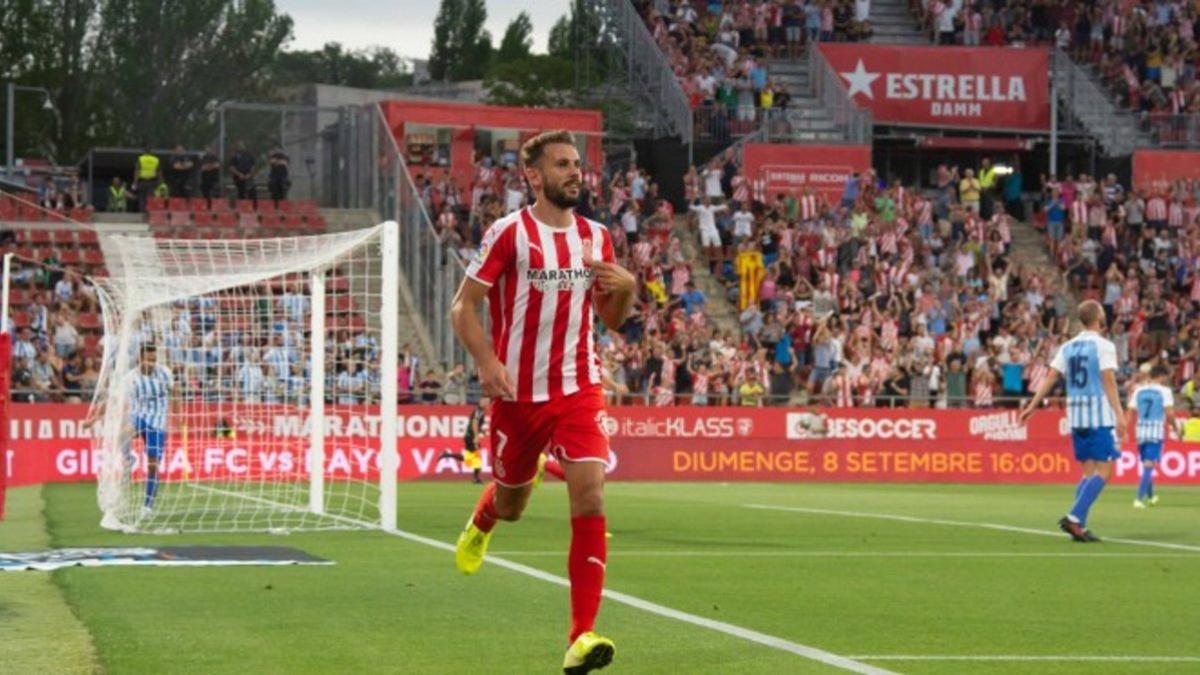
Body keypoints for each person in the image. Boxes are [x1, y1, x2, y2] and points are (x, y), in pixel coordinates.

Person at [449, 129, 634, 673]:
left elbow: (612, 319)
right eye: (562, 164)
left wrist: (625, 289)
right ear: (533, 175)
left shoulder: (596, 237)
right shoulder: (509, 233)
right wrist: (487, 361)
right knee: (513, 505)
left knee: (591, 496)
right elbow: (464, 308)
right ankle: (484, 518)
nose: (575, 172)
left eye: (577, 163)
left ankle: (581, 637)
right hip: (518, 395)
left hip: (578, 387)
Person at [1019, 300, 1126, 543]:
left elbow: (1051, 377)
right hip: (1097, 414)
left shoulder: (1067, 346)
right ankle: (1075, 517)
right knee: (1105, 471)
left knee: (1089, 473)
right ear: (1099, 317)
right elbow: (1108, 380)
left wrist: (1033, 405)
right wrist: (1119, 414)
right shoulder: (1104, 345)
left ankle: (1080, 526)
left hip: (1076, 415)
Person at [84, 344, 172, 519]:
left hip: (158, 422)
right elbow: (112, 399)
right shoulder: (130, 378)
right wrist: (94, 418)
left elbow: (174, 392)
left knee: (153, 466)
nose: (151, 363)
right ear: (140, 359)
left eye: (154, 359)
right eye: (148, 359)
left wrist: (177, 416)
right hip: (139, 416)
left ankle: (148, 505)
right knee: (122, 432)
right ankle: (128, 458)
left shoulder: (165, 373)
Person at [1127, 366, 1178, 508]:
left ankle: (1150, 497)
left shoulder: (1139, 390)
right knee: (1149, 466)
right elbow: (1169, 414)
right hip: (1155, 431)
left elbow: (1130, 412)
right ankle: (1138, 499)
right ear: (1162, 377)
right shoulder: (1165, 391)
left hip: (1140, 431)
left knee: (1146, 465)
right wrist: (1175, 427)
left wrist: (1124, 430)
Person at [440, 396, 489, 484]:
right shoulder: (479, 411)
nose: (486, 403)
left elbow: (474, 424)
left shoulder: (480, 411)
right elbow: (474, 422)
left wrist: (481, 431)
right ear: (480, 401)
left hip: (469, 436)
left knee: (468, 458)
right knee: (477, 457)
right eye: (485, 401)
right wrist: (476, 436)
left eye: (487, 402)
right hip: (471, 437)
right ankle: (476, 478)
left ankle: (447, 455)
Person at [133, 147, 161, 212]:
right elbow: (159, 171)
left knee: (142, 197)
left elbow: (137, 171)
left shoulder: (140, 159)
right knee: (150, 198)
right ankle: (149, 212)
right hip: (152, 181)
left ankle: (142, 213)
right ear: (151, 153)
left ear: (144, 152)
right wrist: (160, 181)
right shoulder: (156, 160)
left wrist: (135, 182)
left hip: (142, 181)